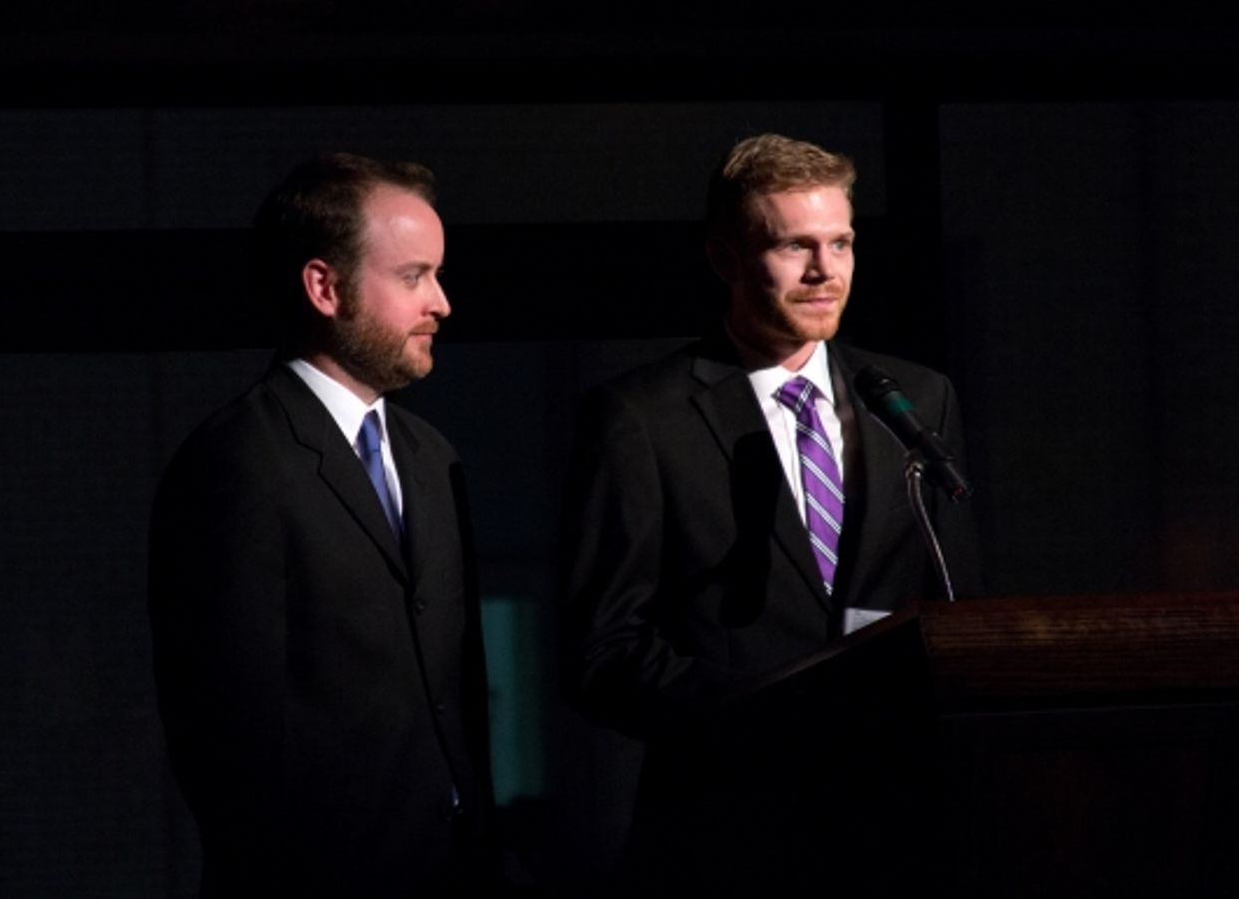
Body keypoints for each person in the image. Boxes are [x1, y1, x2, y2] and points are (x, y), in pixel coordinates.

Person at [559, 133, 984, 896]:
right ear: (725, 258)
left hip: (895, 832)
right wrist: (768, 711)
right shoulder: (641, 417)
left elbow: (959, 609)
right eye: (795, 246)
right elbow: (603, 651)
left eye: (842, 243)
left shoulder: (916, 400)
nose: (826, 271)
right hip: (726, 832)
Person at [148, 153, 497, 897]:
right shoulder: (237, 462)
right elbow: (225, 732)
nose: (441, 302)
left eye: (436, 274)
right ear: (324, 286)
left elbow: (455, 692)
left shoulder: (432, 458)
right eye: (413, 276)